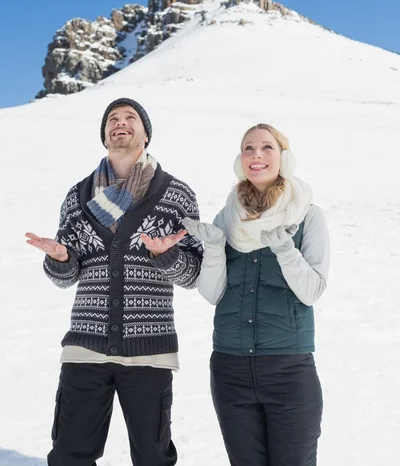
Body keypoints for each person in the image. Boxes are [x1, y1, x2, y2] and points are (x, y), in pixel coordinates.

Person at [25, 97, 203, 466]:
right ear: (105, 135)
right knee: (69, 455)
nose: (120, 123)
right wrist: (60, 259)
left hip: (149, 351)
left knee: (153, 458)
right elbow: (66, 276)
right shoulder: (78, 196)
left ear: (146, 134)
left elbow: (194, 274)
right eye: (113, 119)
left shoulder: (176, 195)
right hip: (85, 348)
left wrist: (166, 255)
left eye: (130, 117)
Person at [184, 123, 330, 466]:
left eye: (266, 147)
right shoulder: (227, 216)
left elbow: (312, 290)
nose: (256, 155)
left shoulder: (308, 215)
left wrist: (285, 250)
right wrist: (216, 247)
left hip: (288, 371)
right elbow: (211, 292)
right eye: (248, 148)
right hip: (229, 369)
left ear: (284, 158)